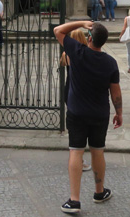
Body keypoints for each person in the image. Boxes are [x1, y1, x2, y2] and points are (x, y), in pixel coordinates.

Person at [53, 20, 122, 214]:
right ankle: (99, 192)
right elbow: (115, 92)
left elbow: (57, 30)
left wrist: (82, 22)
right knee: (97, 151)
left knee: (76, 152)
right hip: (100, 114)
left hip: (77, 112)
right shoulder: (110, 62)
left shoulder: (78, 52)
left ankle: (74, 201)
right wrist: (119, 112)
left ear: (89, 37)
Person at [59, 29, 91, 173]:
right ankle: (80, 159)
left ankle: (74, 155)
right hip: (81, 90)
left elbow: (62, 63)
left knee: (73, 124)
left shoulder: (67, 54)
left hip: (69, 89)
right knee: (82, 127)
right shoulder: (85, 54)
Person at [119, 6, 130, 75]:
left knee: (129, 53)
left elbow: (124, 28)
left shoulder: (127, 18)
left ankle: (129, 68)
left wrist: (121, 35)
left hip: (128, 37)